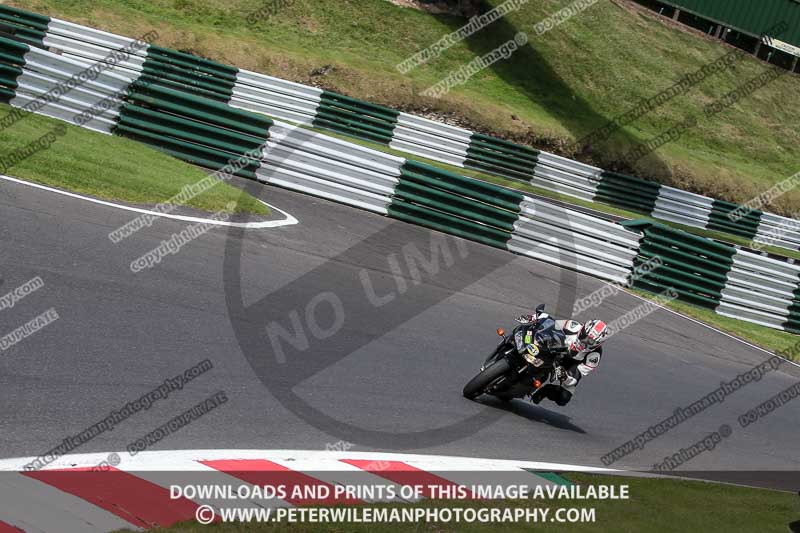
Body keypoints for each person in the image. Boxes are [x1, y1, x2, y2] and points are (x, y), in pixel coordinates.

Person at [515, 310, 609, 406]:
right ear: (583, 329)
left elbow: (577, 375)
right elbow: (551, 323)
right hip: (556, 350)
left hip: (569, 367)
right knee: (533, 335)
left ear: (597, 344)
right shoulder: (573, 326)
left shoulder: (594, 356)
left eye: (590, 341)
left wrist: (565, 376)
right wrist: (534, 317)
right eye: (585, 336)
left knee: (564, 397)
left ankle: (546, 390)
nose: (585, 341)